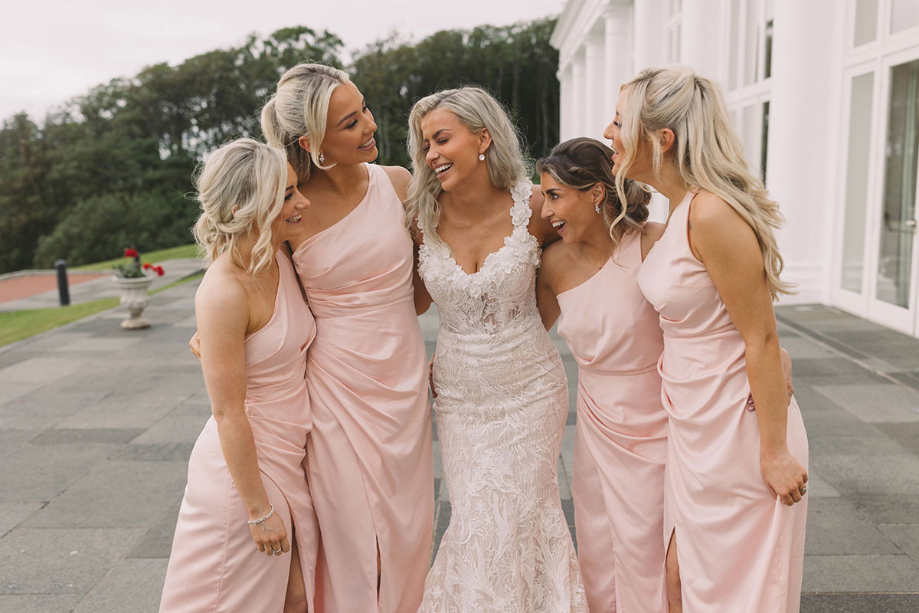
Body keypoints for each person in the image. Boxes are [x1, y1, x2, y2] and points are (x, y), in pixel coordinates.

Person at [607, 66, 809, 612]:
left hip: (738, 427)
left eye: (620, 121)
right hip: (693, 421)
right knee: (680, 581)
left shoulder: (714, 212)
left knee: (728, 590)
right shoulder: (681, 210)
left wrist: (774, 453)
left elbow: (762, 338)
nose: (609, 132)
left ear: (661, 139)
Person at [260, 64, 433, 613]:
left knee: (405, 534)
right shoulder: (290, 209)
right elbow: (255, 283)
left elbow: (422, 292)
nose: (370, 125)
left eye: (364, 110)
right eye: (350, 121)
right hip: (335, 386)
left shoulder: (399, 184)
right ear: (313, 143)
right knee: (354, 533)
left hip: (404, 378)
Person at [407, 87, 587, 612]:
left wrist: (520, 332)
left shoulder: (534, 208)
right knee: (477, 517)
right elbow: (398, 297)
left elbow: (586, 258)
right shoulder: (420, 219)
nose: (431, 154)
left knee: (515, 515)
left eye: (442, 139)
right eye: (425, 145)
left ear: (483, 137)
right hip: (461, 399)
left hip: (530, 391)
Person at [160, 138, 319, 612]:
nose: (303, 201)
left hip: (289, 450)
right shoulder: (222, 292)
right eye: (287, 195)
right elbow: (227, 412)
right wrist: (257, 509)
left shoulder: (282, 258)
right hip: (245, 471)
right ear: (244, 207)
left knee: (296, 596)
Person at [535, 137, 670, 612]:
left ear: (595, 192)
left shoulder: (655, 243)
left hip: (662, 421)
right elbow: (522, 335)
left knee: (655, 544)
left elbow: (706, 318)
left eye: (554, 196)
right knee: (601, 545)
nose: (545, 209)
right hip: (597, 429)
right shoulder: (552, 264)